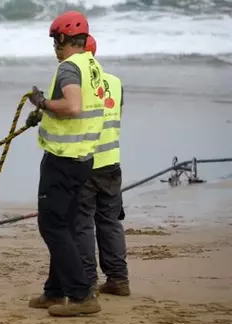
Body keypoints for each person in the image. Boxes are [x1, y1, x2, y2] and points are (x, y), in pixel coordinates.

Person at [25, 11, 105, 317]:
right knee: (65, 225)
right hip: (82, 157)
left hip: (63, 159)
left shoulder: (69, 68)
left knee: (52, 226)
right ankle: (55, 292)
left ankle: (81, 296)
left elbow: (72, 106)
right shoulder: (91, 65)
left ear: (62, 39)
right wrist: (46, 112)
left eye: (54, 41)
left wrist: (43, 103)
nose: (54, 48)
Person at [76, 35, 130, 296]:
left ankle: (87, 282)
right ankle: (119, 279)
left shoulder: (75, 84)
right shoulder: (116, 83)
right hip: (111, 163)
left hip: (85, 163)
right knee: (110, 223)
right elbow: (117, 115)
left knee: (83, 224)